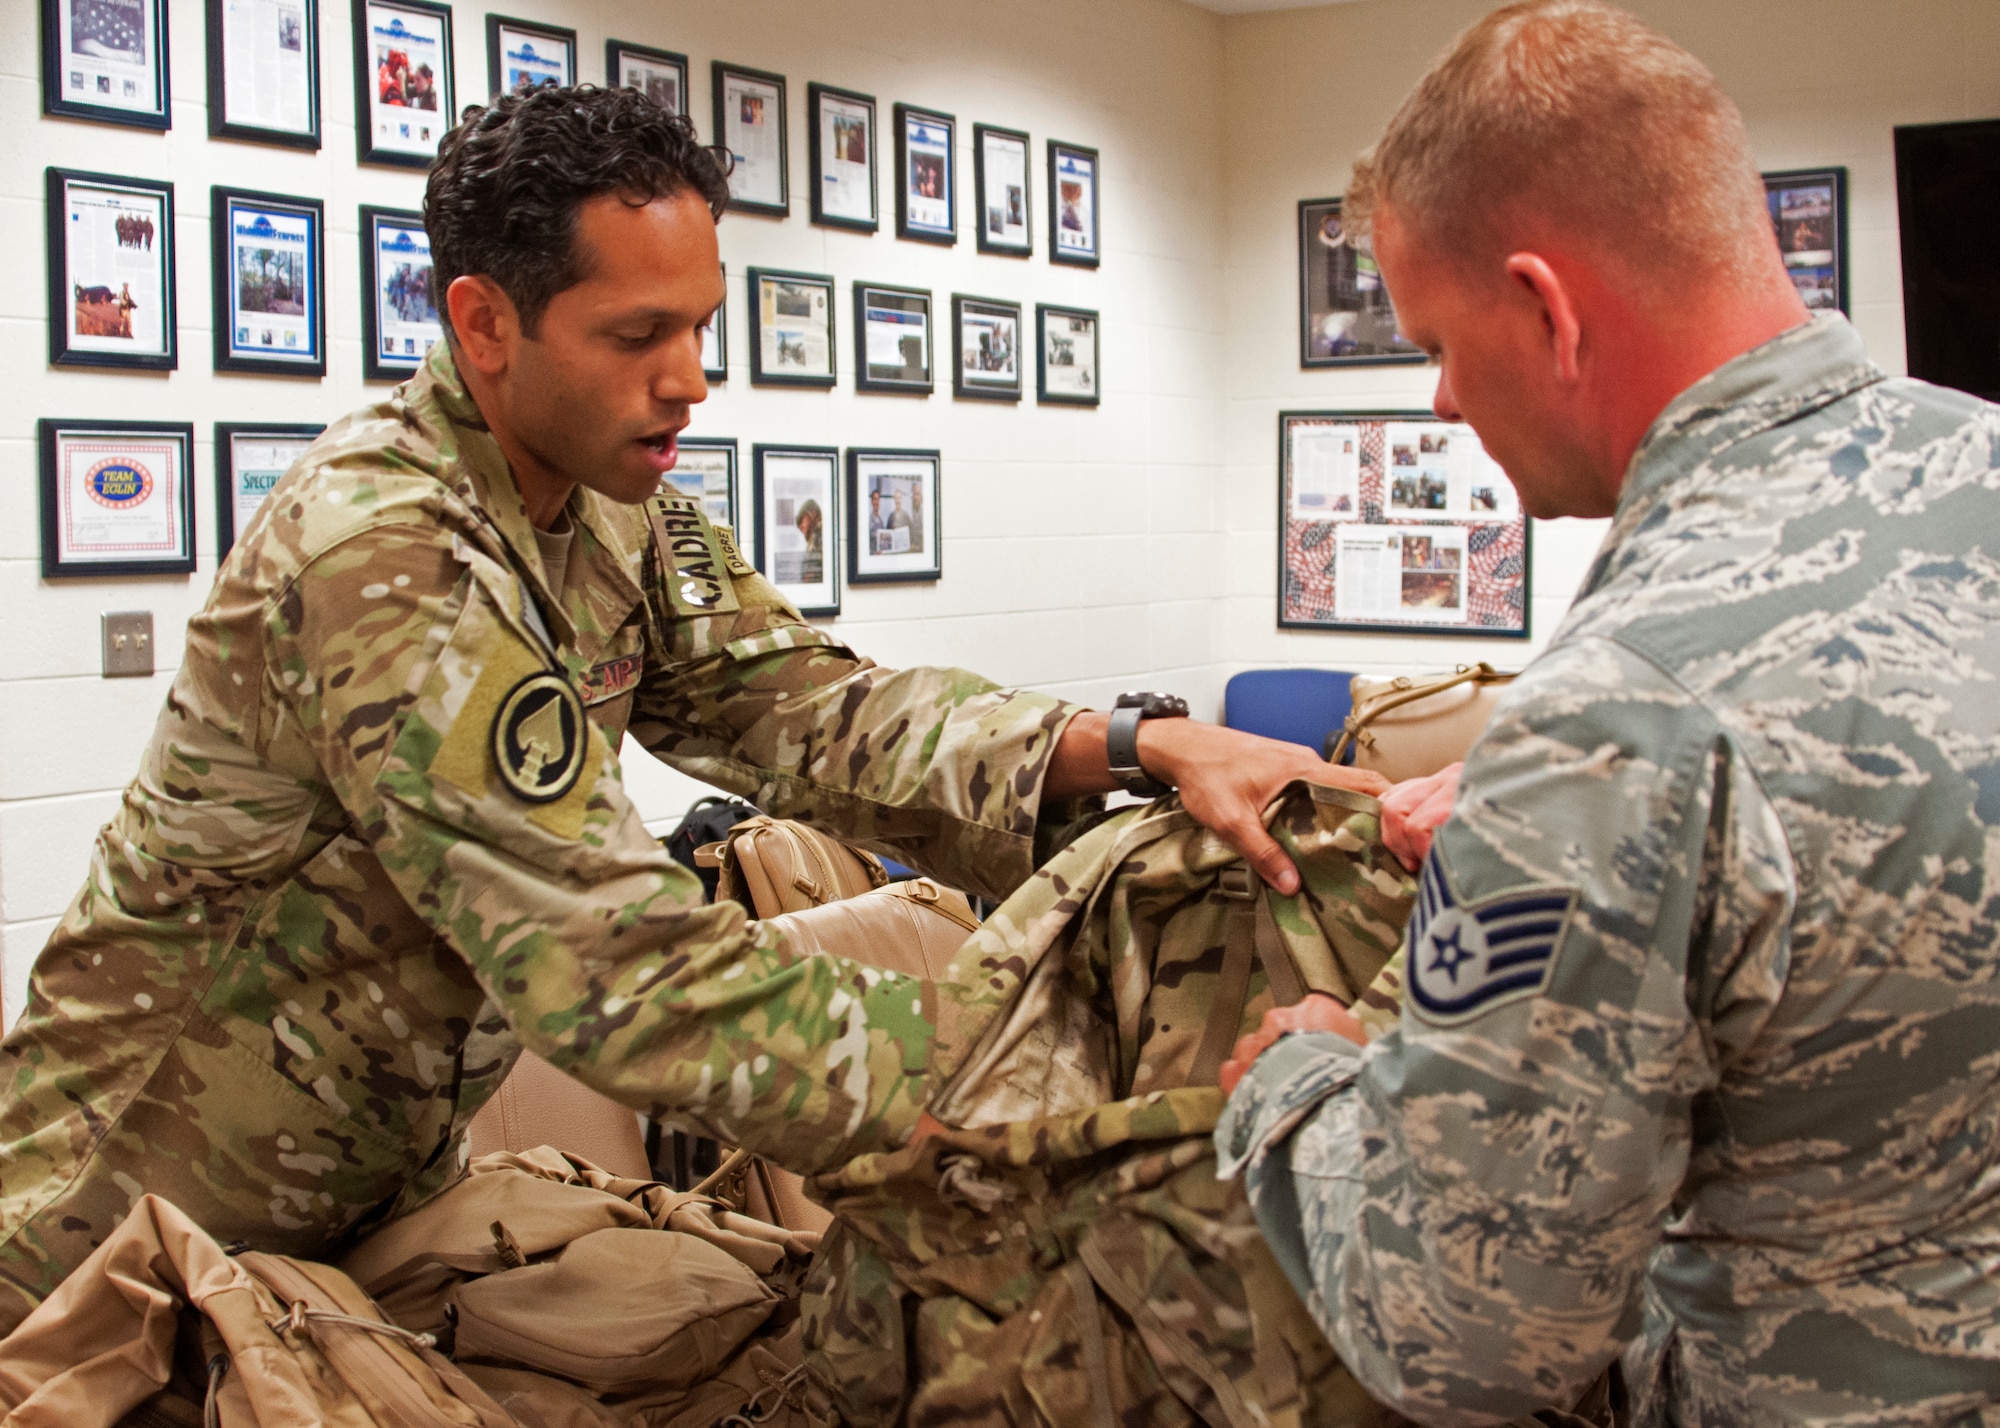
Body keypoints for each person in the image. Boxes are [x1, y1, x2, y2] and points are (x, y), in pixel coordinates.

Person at [0, 84, 1371, 1333]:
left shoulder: (619, 509)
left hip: (350, 1207)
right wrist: (1035, 1077)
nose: (692, 378)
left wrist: (1127, 746)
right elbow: (622, 970)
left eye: (702, 324)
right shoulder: (386, 551)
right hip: (117, 1233)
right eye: (638, 333)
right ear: (485, 323)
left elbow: (811, 711)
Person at [1215, 3, 2000, 1424]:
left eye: (1440, 343)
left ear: (1546, 306)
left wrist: (1299, 1087)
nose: (1443, 399)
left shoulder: (1617, 715)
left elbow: (1461, 1331)